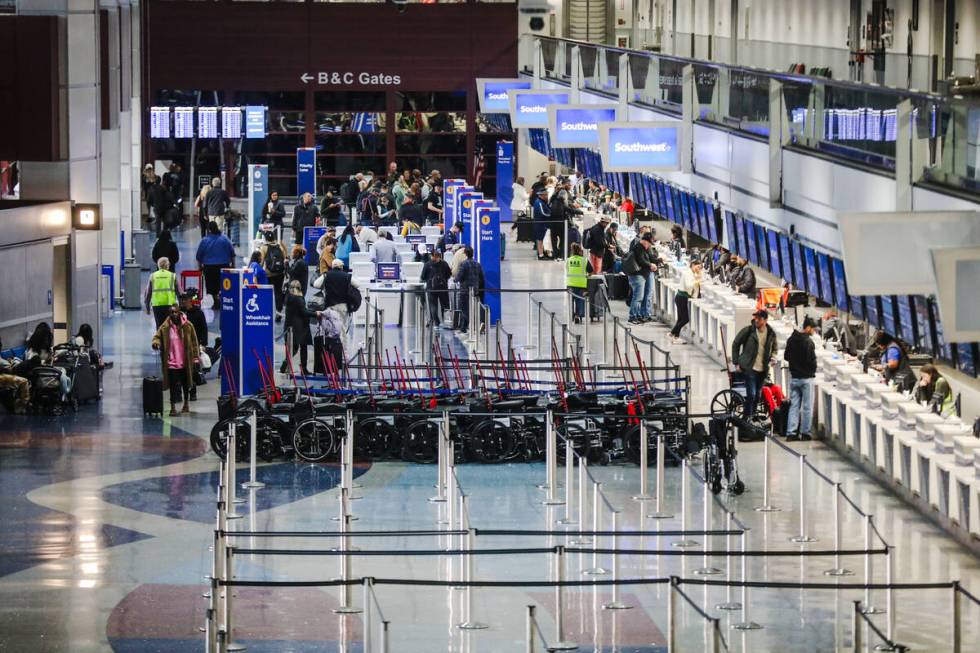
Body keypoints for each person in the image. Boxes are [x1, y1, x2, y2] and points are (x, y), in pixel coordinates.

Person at [151, 303, 199, 416]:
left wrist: (196, 358)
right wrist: (155, 343)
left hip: (185, 361)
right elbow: (157, 337)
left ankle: (186, 404)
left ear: (179, 312)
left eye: (175, 312)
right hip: (171, 362)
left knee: (186, 384)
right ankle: (173, 407)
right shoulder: (165, 327)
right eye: (171, 312)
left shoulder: (188, 326)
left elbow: (194, 342)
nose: (174, 314)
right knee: (172, 386)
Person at [731, 310, 778, 420]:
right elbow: (736, 344)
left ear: (765, 320)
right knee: (751, 394)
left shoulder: (771, 333)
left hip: (763, 370)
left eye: (759, 319)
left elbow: (775, 348)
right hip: (749, 368)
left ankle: (751, 417)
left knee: (757, 395)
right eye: (756, 318)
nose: (757, 320)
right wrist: (736, 362)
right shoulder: (748, 331)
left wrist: (773, 357)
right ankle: (747, 418)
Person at [783, 316, 818, 440]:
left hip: (794, 378)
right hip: (807, 378)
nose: (814, 331)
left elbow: (786, 357)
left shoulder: (791, 339)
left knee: (794, 406)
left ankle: (791, 433)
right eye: (813, 329)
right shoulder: (808, 342)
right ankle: (805, 433)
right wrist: (812, 369)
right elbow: (811, 361)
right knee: (807, 407)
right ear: (807, 328)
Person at [282, 280, 320, 375]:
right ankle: (303, 369)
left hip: (289, 326)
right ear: (300, 288)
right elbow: (304, 312)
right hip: (300, 327)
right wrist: (316, 313)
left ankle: (285, 364)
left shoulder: (288, 297)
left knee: (293, 348)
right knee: (303, 348)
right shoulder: (298, 298)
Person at [195, 221, 236, 308]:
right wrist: (233, 266)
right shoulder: (225, 239)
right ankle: (222, 298)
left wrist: (200, 268)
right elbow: (232, 253)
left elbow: (199, 256)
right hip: (224, 266)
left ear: (208, 230)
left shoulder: (205, 240)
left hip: (209, 268)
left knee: (212, 286)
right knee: (223, 285)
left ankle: (215, 300)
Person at [622, 232, 659, 324]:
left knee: (640, 297)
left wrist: (658, 261)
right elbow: (641, 261)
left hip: (640, 275)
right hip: (637, 276)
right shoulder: (638, 248)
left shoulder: (643, 248)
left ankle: (638, 315)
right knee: (637, 297)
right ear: (645, 241)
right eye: (649, 243)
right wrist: (650, 265)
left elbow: (649, 258)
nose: (650, 246)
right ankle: (632, 316)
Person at [319, 258, 360, 338]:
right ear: (341, 267)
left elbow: (316, 284)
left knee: (330, 327)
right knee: (342, 329)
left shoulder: (327, 275)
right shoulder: (347, 276)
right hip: (343, 306)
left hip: (330, 306)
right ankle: (343, 349)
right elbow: (357, 284)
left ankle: (331, 347)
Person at [179, 292, 208, 401]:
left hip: (193, 347)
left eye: (184, 300)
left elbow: (204, 329)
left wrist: (203, 344)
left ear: (190, 300)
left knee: (192, 370)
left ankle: (192, 392)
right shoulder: (178, 314)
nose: (182, 302)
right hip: (180, 347)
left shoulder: (198, 313)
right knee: (181, 370)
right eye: (181, 300)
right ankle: (181, 393)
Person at [670, 259, 702, 342]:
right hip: (681, 297)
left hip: (681, 297)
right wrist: (697, 281)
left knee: (680, 319)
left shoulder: (691, 273)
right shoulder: (688, 273)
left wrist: (697, 277)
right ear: (693, 265)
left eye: (700, 268)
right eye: (697, 267)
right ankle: (672, 333)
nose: (698, 269)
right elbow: (688, 286)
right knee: (685, 319)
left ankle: (676, 337)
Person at [454, 246, 485, 333]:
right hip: (475, 289)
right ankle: (477, 324)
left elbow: (459, 277)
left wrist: (455, 279)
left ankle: (464, 327)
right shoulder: (477, 264)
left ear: (465, 254)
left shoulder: (464, 264)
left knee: (464, 309)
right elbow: (481, 277)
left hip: (465, 290)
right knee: (475, 308)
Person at [260, 230, 289, 320]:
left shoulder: (264, 247)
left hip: (269, 274)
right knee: (278, 293)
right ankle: (278, 313)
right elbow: (285, 258)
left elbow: (261, 262)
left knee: (267, 293)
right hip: (280, 273)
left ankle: (266, 313)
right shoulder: (279, 246)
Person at [420, 249, 452, 327]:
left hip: (431, 288)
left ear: (432, 256)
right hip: (443, 288)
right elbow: (449, 274)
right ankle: (446, 322)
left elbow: (423, 277)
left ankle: (436, 323)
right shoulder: (444, 263)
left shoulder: (427, 264)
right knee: (445, 306)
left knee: (433, 305)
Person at [144, 256, 178, 329]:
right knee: (170, 327)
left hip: (157, 306)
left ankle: (160, 340)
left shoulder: (153, 276)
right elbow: (179, 292)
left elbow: (148, 294)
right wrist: (181, 307)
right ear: (167, 265)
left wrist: (147, 308)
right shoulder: (172, 275)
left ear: (158, 265)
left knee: (159, 327)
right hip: (170, 305)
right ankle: (168, 340)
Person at [566, 243, 589, 324]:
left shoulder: (568, 260)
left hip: (570, 284)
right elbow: (591, 271)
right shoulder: (584, 260)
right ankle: (578, 316)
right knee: (580, 300)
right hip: (581, 284)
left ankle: (571, 315)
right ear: (580, 251)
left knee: (571, 301)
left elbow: (567, 270)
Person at [532, 187, 551, 260]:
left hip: (540, 223)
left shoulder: (540, 202)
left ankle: (541, 253)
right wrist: (551, 216)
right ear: (541, 195)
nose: (547, 196)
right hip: (540, 223)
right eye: (546, 195)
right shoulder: (539, 203)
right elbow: (543, 213)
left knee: (541, 239)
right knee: (540, 239)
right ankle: (541, 255)